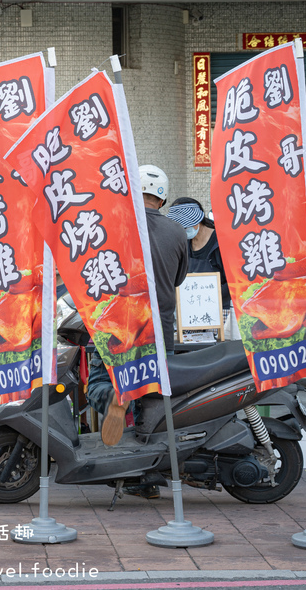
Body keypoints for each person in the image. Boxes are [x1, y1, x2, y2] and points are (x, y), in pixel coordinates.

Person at [85, 164, 188, 498]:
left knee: (99, 382)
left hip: (117, 329)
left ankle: (117, 398)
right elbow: (177, 281)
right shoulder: (176, 232)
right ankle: (147, 480)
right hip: (159, 332)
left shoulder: (113, 228)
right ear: (163, 198)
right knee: (154, 401)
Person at [168, 197, 239, 340]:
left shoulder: (222, 242)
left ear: (198, 221)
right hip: (190, 312)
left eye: (185, 225)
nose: (183, 230)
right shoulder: (184, 243)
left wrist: (210, 298)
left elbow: (234, 282)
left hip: (221, 312)